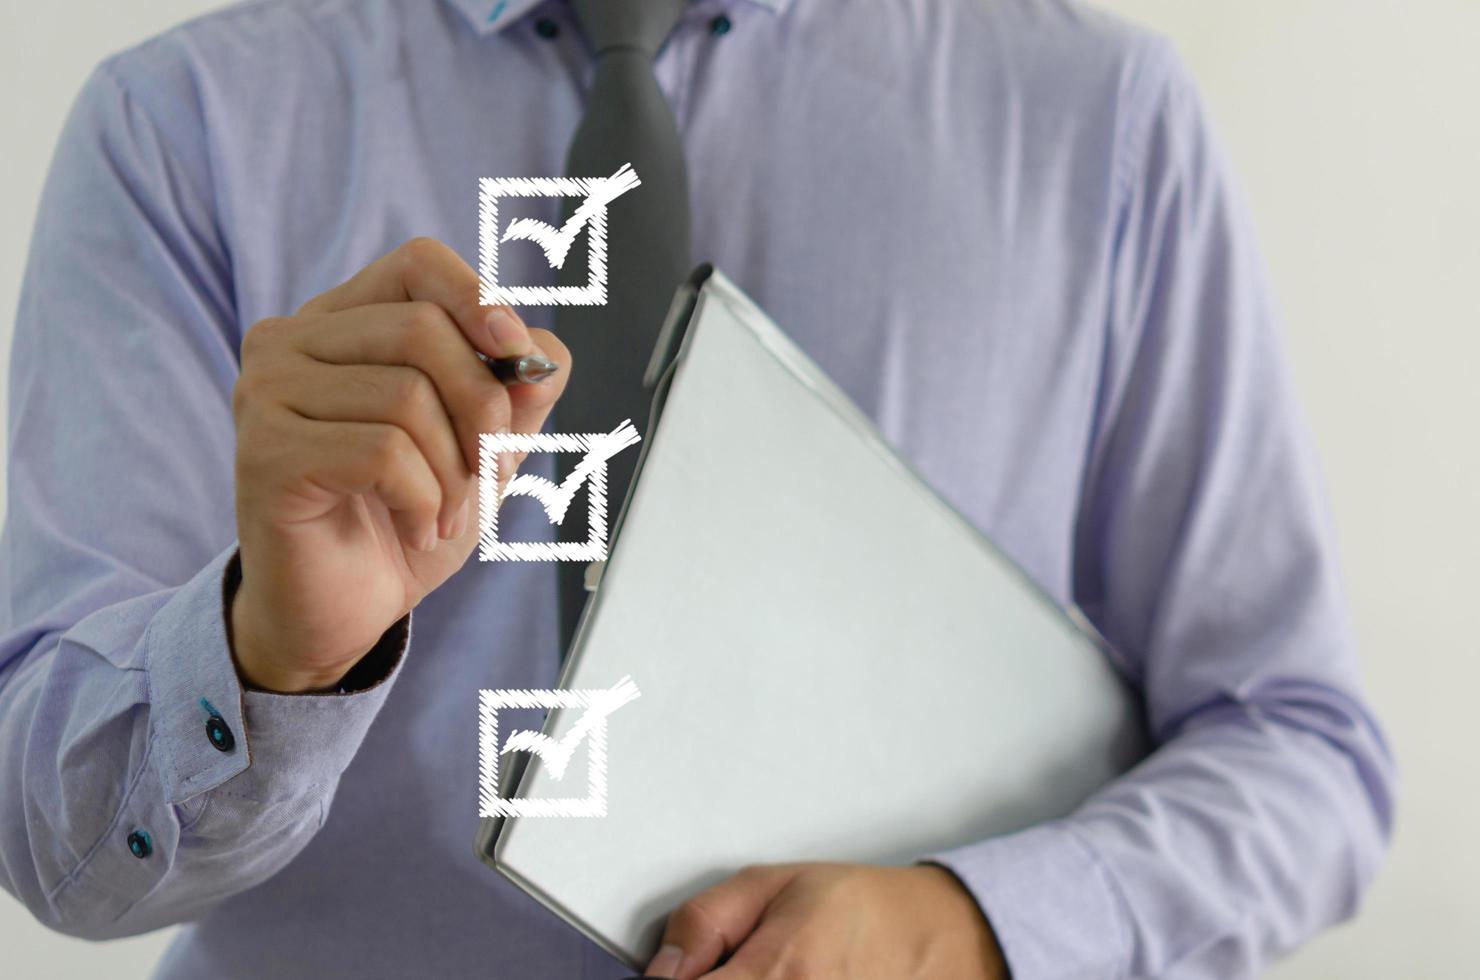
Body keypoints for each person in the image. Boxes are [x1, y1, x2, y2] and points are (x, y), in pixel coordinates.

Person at [0, 0, 1394, 977]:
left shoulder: (1104, 125)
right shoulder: (180, 130)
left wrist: (970, 928)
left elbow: (1301, 750)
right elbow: (62, 859)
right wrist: (271, 659)